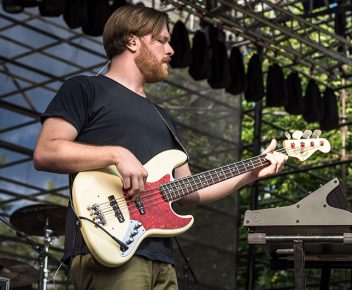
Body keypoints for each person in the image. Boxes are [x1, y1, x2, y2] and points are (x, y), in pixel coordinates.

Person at [33, 4, 287, 290]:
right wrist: (116, 154)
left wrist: (251, 173)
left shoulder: (163, 117)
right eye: (163, 40)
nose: (171, 50)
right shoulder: (84, 89)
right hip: (108, 248)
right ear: (132, 41)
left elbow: (190, 190)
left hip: (161, 259)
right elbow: (46, 151)